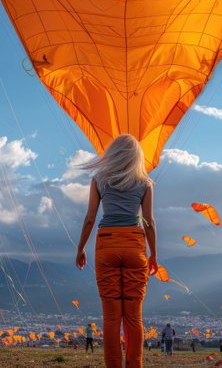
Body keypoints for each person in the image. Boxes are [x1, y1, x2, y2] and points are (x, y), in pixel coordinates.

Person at [76, 134, 157, 368]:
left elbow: (90, 218)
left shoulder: (99, 180)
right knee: (133, 317)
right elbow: (149, 221)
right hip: (135, 245)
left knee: (111, 317)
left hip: (106, 244)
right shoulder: (145, 183)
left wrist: (80, 248)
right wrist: (153, 255)